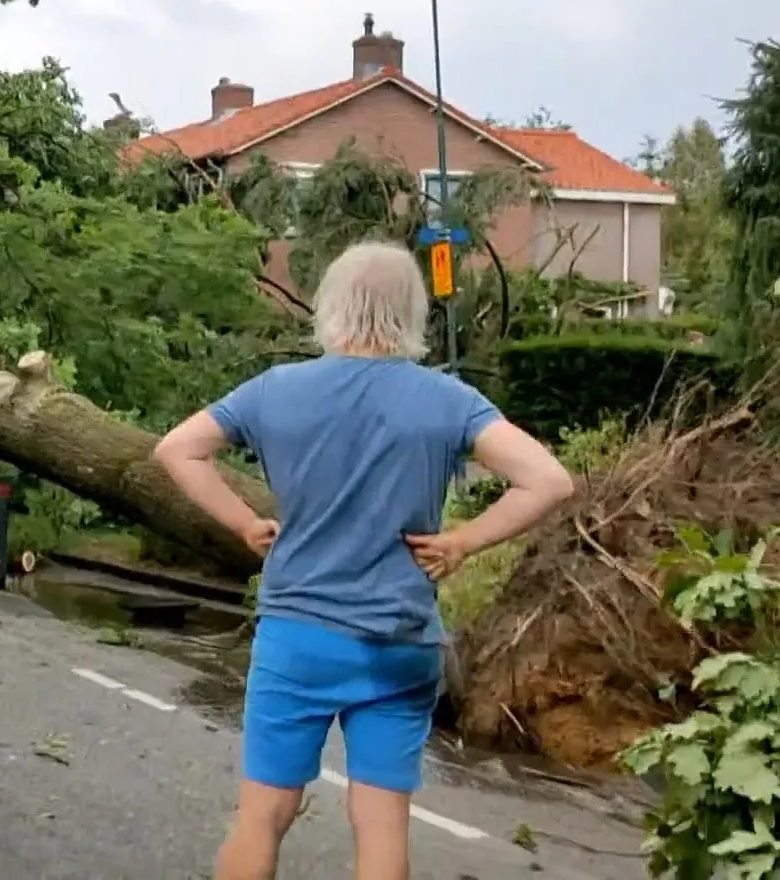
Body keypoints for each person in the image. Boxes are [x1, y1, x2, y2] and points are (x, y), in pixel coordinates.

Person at [152, 241, 575, 880]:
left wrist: (244, 523)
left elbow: (177, 450)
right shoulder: (448, 401)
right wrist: (463, 541)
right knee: (380, 827)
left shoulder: (276, 390)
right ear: (413, 313)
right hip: (398, 644)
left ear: (330, 306)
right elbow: (548, 479)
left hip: (298, 636)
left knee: (262, 815)